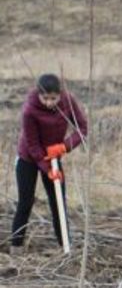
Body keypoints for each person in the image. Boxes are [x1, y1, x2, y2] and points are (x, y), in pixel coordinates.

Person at [11, 74, 86, 250]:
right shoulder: (30, 110)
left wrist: (64, 147)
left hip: (54, 155)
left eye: (54, 98)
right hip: (28, 158)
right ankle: (16, 247)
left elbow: (82, 128)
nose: (49, 103)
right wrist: (47, 169)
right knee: (25, 202)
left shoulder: (68, 102)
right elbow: (33, 145)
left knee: (57, 201)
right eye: (45, 98)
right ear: (39, 94)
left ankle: (65, 246)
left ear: (60, 94)